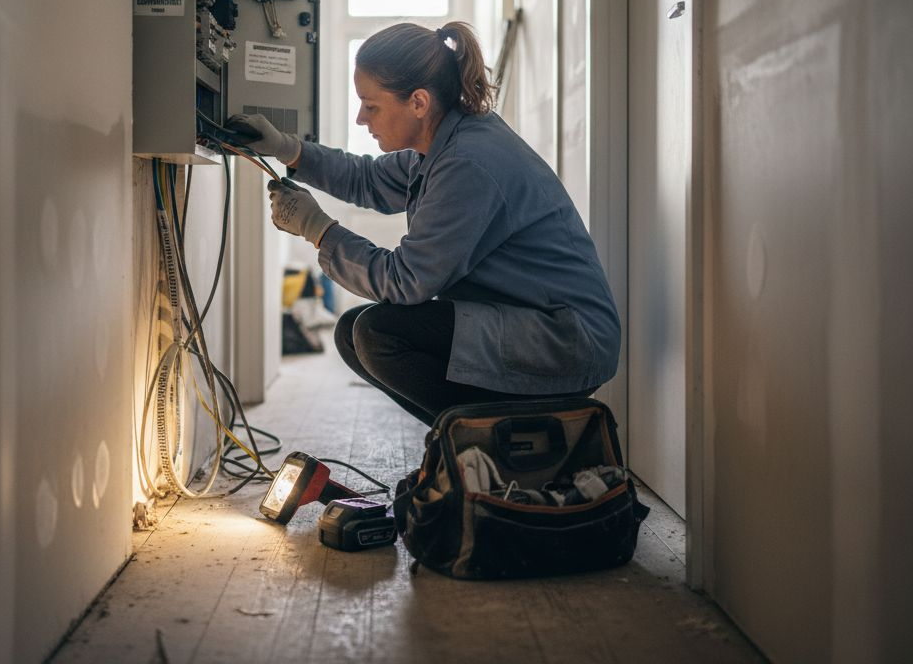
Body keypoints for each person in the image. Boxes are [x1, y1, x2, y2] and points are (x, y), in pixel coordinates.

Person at [228, 21, 620, 427]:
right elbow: (368, 179)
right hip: (526, 322)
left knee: (378, 334)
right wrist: (286, 149)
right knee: (351, 331)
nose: (362, 118)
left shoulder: (468, 163)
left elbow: (404, 282)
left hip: (564, 339)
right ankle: (472, 443)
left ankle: (490, 445)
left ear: (418, 102)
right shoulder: (441, 144)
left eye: (371, 105)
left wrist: (317, 228)